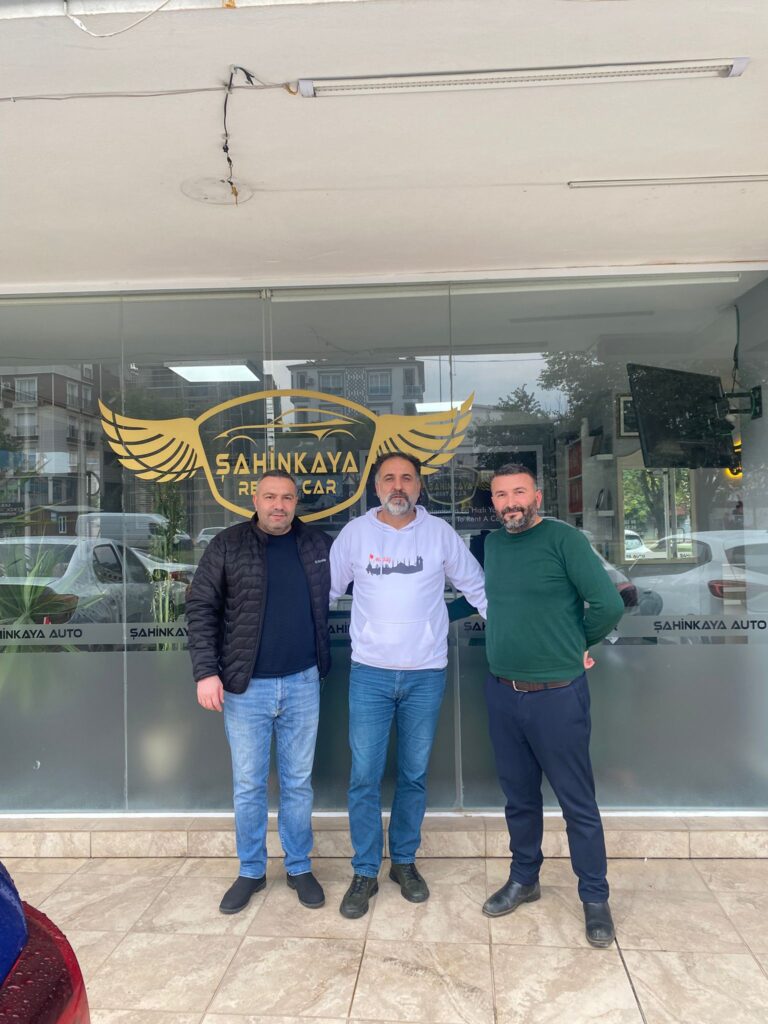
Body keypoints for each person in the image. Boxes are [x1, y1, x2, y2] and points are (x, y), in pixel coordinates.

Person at [330, 452, 487, 918]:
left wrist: (521, 636)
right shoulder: (354, 535)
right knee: (364, 777)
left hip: (425, 673)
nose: (397, 486)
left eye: (407, 478)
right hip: (370, 674)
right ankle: (364, 870)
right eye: (388, 478)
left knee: (414, 775)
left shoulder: (440, 534)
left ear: (419, 486)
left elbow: (478, 589)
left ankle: (403, 862)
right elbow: (323, 595)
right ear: (375, 486)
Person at [481, 463, 624, 947]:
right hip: (503, 692)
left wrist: (573, 645)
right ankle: (525, 878)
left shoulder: (564, 540)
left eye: (519, 492)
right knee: (519, 798)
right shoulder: (493, 545)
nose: (510, 503)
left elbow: (608, 604)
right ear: (494, 502)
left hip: (557, 695)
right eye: (501, 495)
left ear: (537, 496)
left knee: (576, 802)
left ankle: (595, 898)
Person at [186, 470, 332, 914]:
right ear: (255, 499)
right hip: (245, 687)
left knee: (298, 783)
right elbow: (200, 606)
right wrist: (205, 672)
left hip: (303, 682)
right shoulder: (227, 545)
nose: (278, 505)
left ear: (296, 502)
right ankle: (251, 870)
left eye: (287, 497)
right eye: (270, 496)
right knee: (249, 785)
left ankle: (299, 866)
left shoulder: (317, 545)